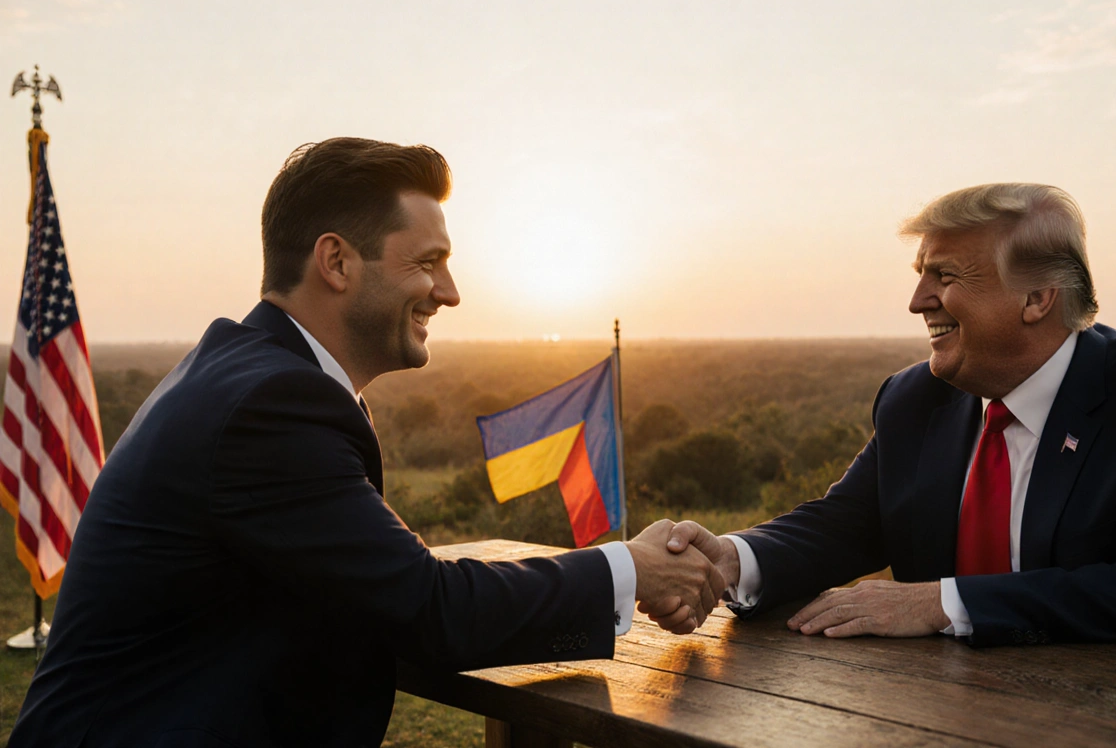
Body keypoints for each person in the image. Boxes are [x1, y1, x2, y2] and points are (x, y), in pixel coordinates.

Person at [10, 138, 724, 747]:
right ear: (338, 262)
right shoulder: (272, 405)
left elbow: (374, 580)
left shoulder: (252, 371)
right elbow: (427, 609)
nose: (449, 291)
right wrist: (629, 571)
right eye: (427, 262)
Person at [649, 183, 1116, 650]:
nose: (917, 301)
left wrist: (940, 603)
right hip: (954, 708)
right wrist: (733, 559)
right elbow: (848, 524)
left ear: (1037, 298)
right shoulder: (915, 399)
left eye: (946, 276)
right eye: (921, 276)